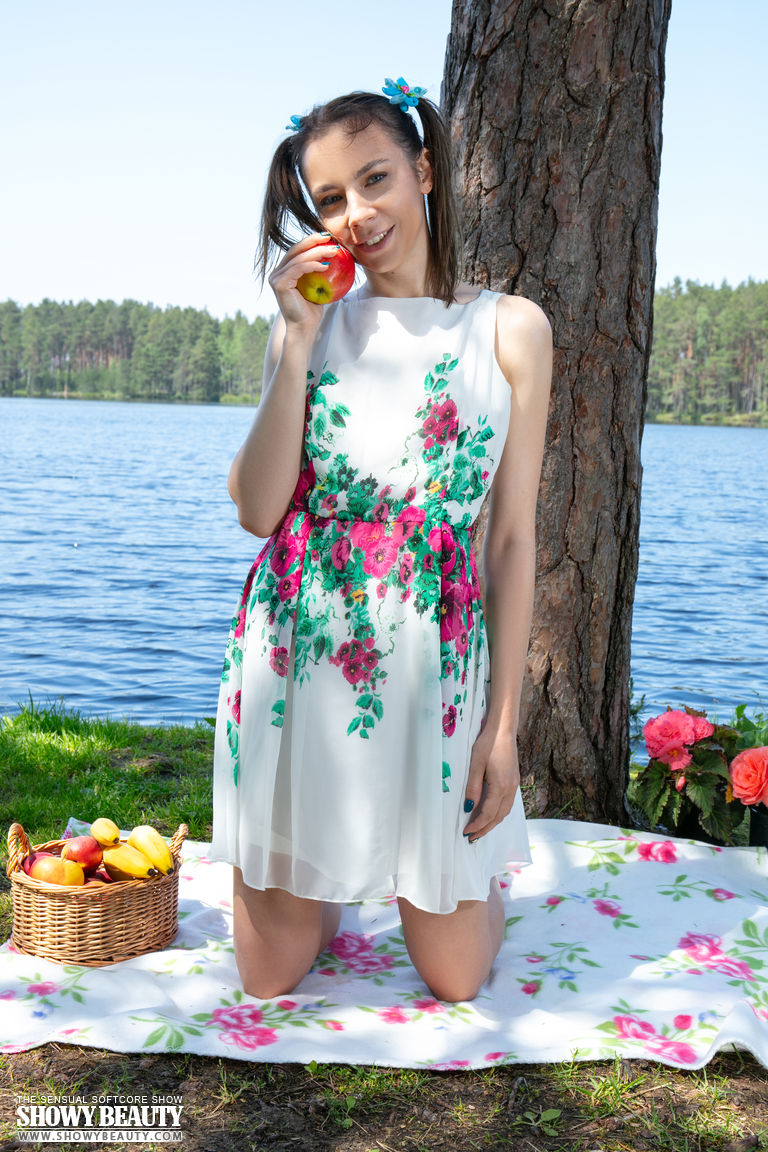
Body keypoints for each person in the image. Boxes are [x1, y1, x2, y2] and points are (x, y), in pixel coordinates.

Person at [210, 79, 552, 1003]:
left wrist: (504, 729)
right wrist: (297, 337)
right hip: (295, 654)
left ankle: (452, 882)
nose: (356, 214)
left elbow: (510, 541)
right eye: (329, 198)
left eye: (375, 179)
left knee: (456, 980)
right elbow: (257, 511)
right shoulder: (307, 323)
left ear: (424, 171)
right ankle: (325, 878)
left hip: (432, 664)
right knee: (268, 980)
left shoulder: (510, 330)